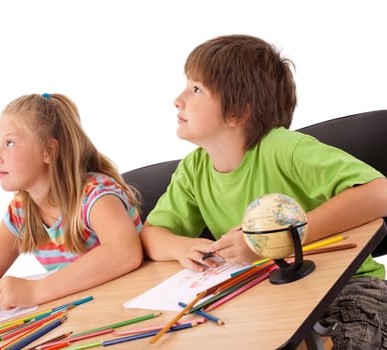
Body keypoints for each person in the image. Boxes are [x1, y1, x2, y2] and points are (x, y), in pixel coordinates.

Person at [140, 34, 387, 348]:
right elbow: (152, 233)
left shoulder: (282, 148)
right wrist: (180, 247)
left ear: (237, 114)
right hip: (274, 299)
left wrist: (273, 242)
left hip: (349, 291)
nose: (178, 99)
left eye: (196, 89)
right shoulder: (193, 170)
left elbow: (381, 193)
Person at [0, 93, 143, 320]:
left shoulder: (95, 194)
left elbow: (124, 252)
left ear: (48, 151)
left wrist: (35, 290)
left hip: (133, 309)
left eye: (9, 143)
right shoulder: (22, 211)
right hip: (91, 317)